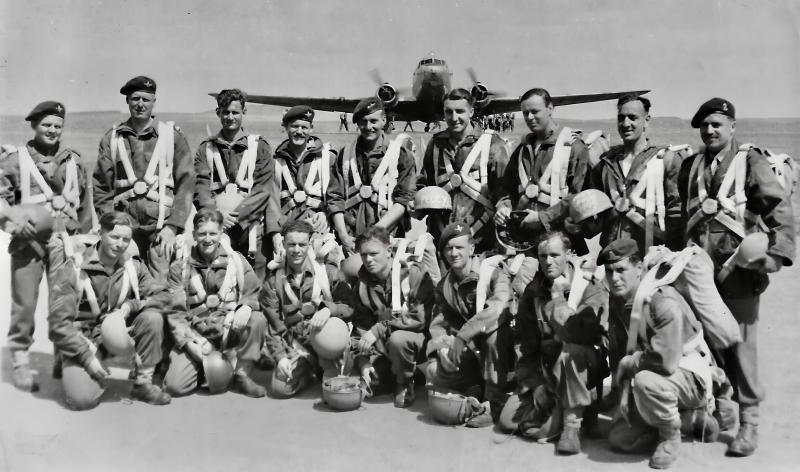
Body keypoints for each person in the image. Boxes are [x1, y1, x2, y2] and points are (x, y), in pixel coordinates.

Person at [678, 97, 795, 457]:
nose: (710, 131)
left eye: (717, 124)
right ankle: (720, 411)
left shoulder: (750, 160)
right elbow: (677, 215)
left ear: (732, 126)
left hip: (738, 271)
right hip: (700, 271)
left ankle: (750, 422)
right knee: (707, 342)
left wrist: (778, 253)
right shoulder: (691, 165)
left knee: (742, 346)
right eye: (704, 125)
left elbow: (779, 206)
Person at [600, 239, 718, 469]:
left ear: (638, 269)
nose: (614, 278)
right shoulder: (619, 300)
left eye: (621, 270)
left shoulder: (662, 300)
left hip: (689, 375)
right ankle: (690, 420)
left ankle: (669, 437)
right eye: (609, 271)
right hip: (657, 376)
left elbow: (666, 360)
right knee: (619, 438)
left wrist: (631, 363)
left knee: (646, 382)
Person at [0, 100, 92, 392]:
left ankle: (61, 356)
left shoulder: (72, 161)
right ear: (34, 126)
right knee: (24, 305)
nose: (52, 131)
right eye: (46, 125)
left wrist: (85, 240)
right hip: (28, 244)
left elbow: (84, 207)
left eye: (57, 126)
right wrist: (13, 217)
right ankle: (20, 360)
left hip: (64, 244)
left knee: (63, 303)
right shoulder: (16, 160)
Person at [47, 211, 173, 409]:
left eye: (126, 239)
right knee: (82, 400)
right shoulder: (74, 268)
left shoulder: (133, 267)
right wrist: (86, 358)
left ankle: (143, 383)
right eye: (114, 237)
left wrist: (130, 307)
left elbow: (164, 296)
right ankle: (74, 362)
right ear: (100, 233)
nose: (120, 244)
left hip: (119, 332)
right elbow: (58, 323)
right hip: (85, 338)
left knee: (153, 317)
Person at [499, 231, 606, 455]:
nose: (548, 261)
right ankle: (558, 403)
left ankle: (572, 425)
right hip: (547, 371)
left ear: (568, 254)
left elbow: (578, 333)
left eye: (555, 255)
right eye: (543, 256)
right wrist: (535, 383)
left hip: (582, 365)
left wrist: (558, 298)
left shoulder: (588, 285)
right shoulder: (534, 290)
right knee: (508, 421)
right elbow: (525, 345)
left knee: (569, 351)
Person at [93, 76, 194, 279]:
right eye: (135, 99)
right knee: (124, 285)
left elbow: (186, 184)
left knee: (162, 289)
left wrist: (173, 227)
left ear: (154, 102)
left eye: (146, 100)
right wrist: (112, 230)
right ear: (127, 101)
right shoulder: (112, 139)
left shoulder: (172, 137)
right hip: (124, 232)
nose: (140, 104)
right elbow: (102, 188)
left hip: (161, 231)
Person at [163, 208, 268, 398]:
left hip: (229, 329)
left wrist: (246, 305)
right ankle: (203, 367)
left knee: (257, 319)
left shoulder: (236, 260)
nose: (208, 239)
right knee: (175, 387)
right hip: (198, 334)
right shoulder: (179, 268)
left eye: (213, 233)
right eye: (202, 233)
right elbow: (176, 313)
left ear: (221, 233)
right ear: (194, 234)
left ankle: (242, 374)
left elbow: (255, 290)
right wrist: (189, 344)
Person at [426, 222, 514, 427]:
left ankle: (493, 402)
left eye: (459, 247)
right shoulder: (445, 286)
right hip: (472, 350)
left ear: (472, 249)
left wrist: (463, 335)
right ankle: (473, 387)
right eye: (448, 248)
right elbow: (439, 324)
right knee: (434, 370)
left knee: (494, 337)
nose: (454, 253)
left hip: (504, 349)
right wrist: (441, 349)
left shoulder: (492, 272)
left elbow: (498, 308)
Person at [259, 219, 354, 398]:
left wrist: (329, 310)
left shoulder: (326, 272)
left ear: (309, 244)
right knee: (281, 389)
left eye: (302, 244)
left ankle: (331, 364)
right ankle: (308, 370)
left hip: (326, 339)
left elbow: (349, 305)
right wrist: (280, 357)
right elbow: (273, 323)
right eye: (291, 244)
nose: (296, 250)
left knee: (335, 394)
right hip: (297, 342)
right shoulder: (273, 280)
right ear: (283, 245)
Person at [495, 88, 593, 255]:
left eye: (535, 111)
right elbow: (507, 189)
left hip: (561, 242)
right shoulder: (521, 150)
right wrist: (503, 207)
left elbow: (579, 196)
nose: (530, 118)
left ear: (550, 108)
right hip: (524, 242)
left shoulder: (574, 148)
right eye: (525, 113)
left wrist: (542, 218)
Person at [587, 94, 688, 253]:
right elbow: (595, 214)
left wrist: (672, 254)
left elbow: (677, 213)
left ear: (646, 120)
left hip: (651, 254)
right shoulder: (605, 165)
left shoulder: (665, 160)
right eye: (621, 118)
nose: (626, 123)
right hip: (614, 256)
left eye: (632, 118)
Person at [351, 226, 436, 408]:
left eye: (373, 253)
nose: (368, 260)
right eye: (364, 255)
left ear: (389, 251)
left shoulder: (413, 273)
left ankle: (405, 382)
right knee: (367, 385)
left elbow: (419, 319)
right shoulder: (363, 283)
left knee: (398, 340)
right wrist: (364, 362)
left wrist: (379, 329)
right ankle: (404, 372)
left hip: (415, 340)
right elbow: (360, 327)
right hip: (382, 347)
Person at [194, 89, 274, 278]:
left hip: (251, 226)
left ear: (243, 113)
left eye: (235, 112)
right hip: (217, 226)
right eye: (225, 112)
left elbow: (263, 188)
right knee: (220, 276)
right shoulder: (206, 148)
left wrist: (240, 216)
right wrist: (216, 214)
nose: (230, 117)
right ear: (218, 113)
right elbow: (200, 186)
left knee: (256, 279)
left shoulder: (260, 147)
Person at [417, 88, 509, 252]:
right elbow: (425, 183)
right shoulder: (436, 144)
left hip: (481, 238)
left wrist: (504, 207)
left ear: (471, 111)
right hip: (442, 236)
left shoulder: (493, 144)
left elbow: (504, 190)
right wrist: (415, 203)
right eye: (448, 112)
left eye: (460, 111)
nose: (454, 118)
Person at [329, 98, 416, 254]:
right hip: (351, 239)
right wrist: (343, 235)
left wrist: (375, 232)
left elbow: (403, 199)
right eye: (363, 122)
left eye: (373, 121)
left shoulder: (401, 155)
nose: (368, 127)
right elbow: (335, 197)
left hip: (388, 236)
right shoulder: (344, 155)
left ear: (384, 120)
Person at [267, 105, 337, 260]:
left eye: (304, 127)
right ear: (285, 127)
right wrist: (275, 235)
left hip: (318, 227)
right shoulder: (275, 162)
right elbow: (271, 202)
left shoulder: (327, 159)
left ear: (311, 128)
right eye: (294, 126)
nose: (299, 131)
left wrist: (327, 215)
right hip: (286, 229)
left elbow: (337, 196)